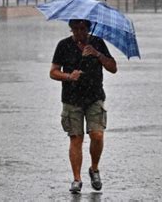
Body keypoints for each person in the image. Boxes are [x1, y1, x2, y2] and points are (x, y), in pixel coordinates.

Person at [50, 19, 117, 193]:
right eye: (75, 29)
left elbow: (113, 67)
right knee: (76, 138)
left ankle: (94, 169)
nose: (79, 33)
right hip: (71, 99)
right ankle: (76, 179)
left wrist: (97, 54)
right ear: (71, 30)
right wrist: (69, 77)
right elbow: (53, 72)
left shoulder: (97, 43)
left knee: (97, 135)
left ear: (88, 29)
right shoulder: (63, 45)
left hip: (94, 97)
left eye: (82, 29)